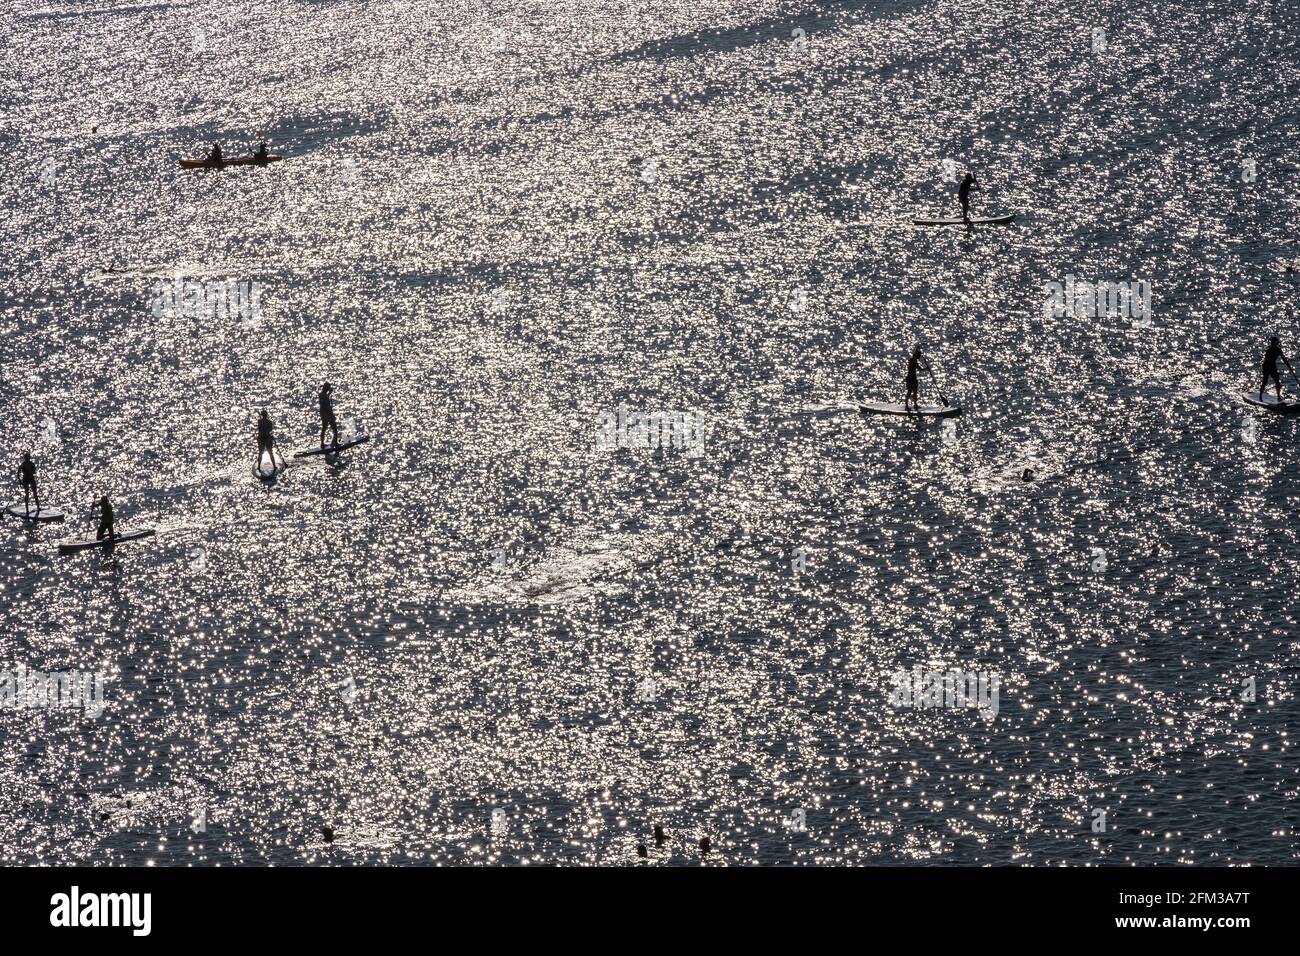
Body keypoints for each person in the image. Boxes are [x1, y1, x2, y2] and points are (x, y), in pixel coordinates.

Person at [1259, 335, 1294, 402]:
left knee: (1277, 382)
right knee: (1265, 381)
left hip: (1273, 366)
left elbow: (1284, 359)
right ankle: (1260, 396)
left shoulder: (1278, 350)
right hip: (1266, 366)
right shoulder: (1269, 350)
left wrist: (1289, 367)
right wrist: (1268, 369)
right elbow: (1267, 359)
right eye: (1276, 343)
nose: (1277, 344)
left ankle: (1278, 396)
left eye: (1277, 343)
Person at [905, 344, 931, 412]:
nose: (919, 359)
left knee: (915, 392)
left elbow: (919, 369)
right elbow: (919, 368)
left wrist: (918, 348)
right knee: (910, 391)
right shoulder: (912, 360)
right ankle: (906, 406)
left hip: (914, 378)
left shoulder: (915, 360)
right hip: (910, 378)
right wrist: (926, 369)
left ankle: (915, 404)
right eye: (918, 357)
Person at [319, 383, 339, 448]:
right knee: (334, 429)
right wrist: (330, 415)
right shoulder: (323, 395)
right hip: (327, 414)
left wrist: (329, 393)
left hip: (323, 414)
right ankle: (335, 443)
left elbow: (325, 399)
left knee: (324, 429)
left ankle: (322, 443)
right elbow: (326, 404)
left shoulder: (321, 394)